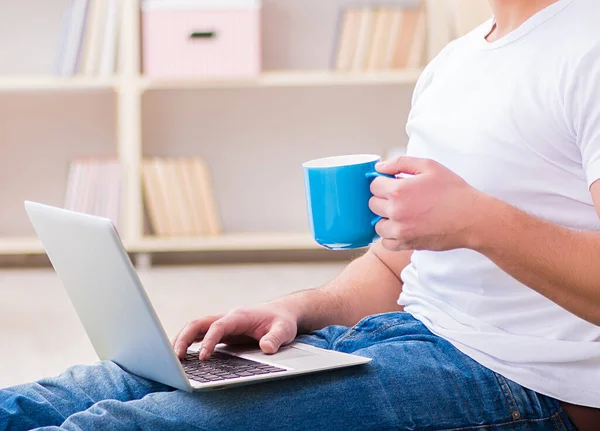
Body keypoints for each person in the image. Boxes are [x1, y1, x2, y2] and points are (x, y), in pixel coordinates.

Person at [3, 0, 600, 429]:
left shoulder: (588, 42)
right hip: (399, 337)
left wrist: (479, 221)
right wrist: (296, 308)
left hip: (526, 382)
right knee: (56, 399)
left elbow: (470, 224)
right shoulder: (456, 62)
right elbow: (399, 266)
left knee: (116, 425)